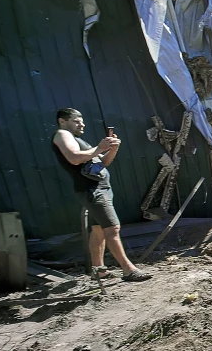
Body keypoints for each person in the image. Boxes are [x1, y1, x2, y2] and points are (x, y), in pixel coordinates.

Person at [52, 108, 151, 282]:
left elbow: (101, 163)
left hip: (99, 187)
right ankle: (128, 270)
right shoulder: (62, 134)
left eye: (82, 120)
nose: (82, 124)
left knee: (98, 230)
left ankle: (99, 271)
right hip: (92, 189)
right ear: (62, 121)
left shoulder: (77, 140)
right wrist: (99, 147)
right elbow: (74, 158)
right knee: (112, 228)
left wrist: (112, 149)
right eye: (76, 120)